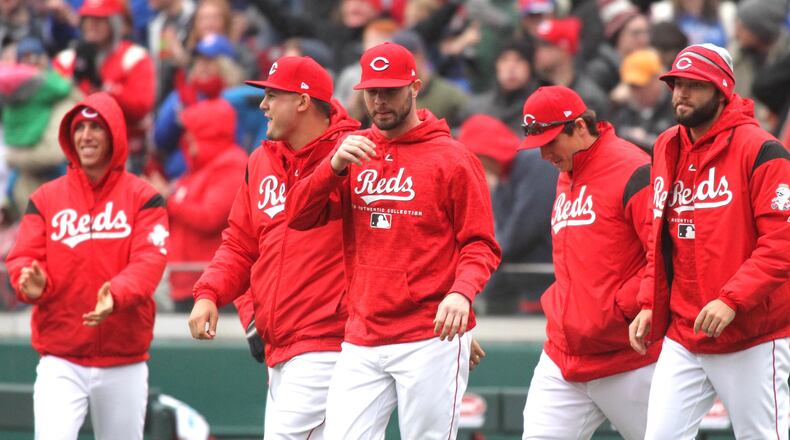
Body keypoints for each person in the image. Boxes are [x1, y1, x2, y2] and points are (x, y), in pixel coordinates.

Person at [285, 42, 501, 439]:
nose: (380, 101)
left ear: (415, 87)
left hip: (430, 333)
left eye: (390, 90)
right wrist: (330, 168)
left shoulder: (452, 158)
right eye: (372, 91)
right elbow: (297, 217)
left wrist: (461, 293)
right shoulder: (350, 152)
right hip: (363, 331)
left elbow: (481, 243)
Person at [187, 56, 360, 439]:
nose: (263, 105)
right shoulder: (262, 160)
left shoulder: (354, 155)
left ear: (302, 100)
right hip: (278, 346)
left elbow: (401, 232)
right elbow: (240, 243)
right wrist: (209, 292)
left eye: (271, 95)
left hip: (329, 341)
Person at [628, 43, 790, 439]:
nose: (680, 93)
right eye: (676, 83)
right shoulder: (668, 144)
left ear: (721, 90)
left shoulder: (763, 149)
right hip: (685, 333)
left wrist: (731, 298)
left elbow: (782, 243)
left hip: (752, 334)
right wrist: (651, 301)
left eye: (693, 84)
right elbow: (659, 234)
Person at [5, 92, 169, 439]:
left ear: (115, 136)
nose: (86, 136)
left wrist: (117, 294)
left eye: (97, 127)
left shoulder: (144, 197)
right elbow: (23, 257)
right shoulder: (46, 198)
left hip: (123, 356)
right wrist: (28, 281)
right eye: (80, 127)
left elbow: (150, 260)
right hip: (61, 356)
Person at [517, 85, 658, 440]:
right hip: (563, 355)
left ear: (580, 127)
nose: (545, 154)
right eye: (538, 144)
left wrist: (623, 307)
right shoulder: (567, 171)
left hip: (628, 358)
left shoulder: (633, 168)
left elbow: (666, 254)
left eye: (551, 142)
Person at [53, 0, 156, 173]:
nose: (92, 25)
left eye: (100, 20)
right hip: (72, 155)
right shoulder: (67, 60)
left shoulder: (134, 57)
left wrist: (102, 87)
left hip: (125, 155)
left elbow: (141, 107)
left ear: (114, 23)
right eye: (88, 19)